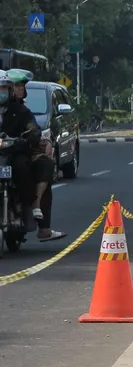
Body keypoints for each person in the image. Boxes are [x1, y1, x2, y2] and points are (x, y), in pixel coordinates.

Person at [6, 70, 64, 241]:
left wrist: (33, 135)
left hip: (17, 154)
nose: (19, 89)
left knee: (39, 165)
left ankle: (37, 212)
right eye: (14, 86)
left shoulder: (21, 110)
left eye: (21, 86)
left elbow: (33, 126)